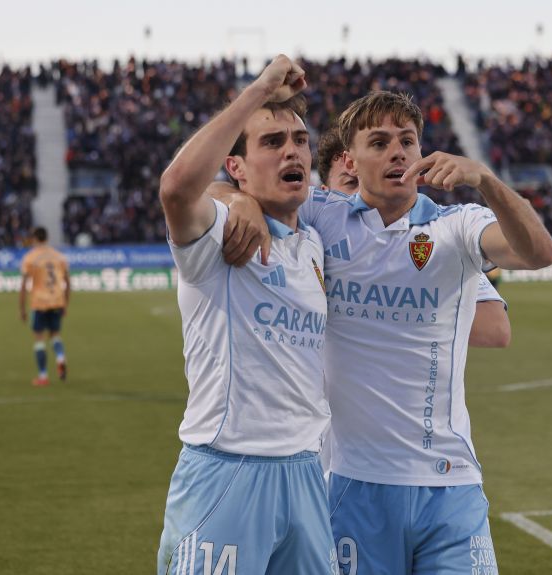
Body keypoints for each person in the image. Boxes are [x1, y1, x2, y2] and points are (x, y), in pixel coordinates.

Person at [217, 90, 552, 574]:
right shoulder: (322, 216)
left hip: (451, 485)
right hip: (356, 485)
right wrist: (237, 200)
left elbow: (539, 253)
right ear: (350, 161)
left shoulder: (455, 226)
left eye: (407, 140)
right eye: (379, 142)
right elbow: (203, 191)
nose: (398, 151)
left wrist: (486, 181)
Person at [156, 55, 337, 575]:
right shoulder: (218, 235)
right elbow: (176, 188)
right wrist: (257, 91)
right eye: (272, 142)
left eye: (300, 140)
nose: (292, 150)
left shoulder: (314, 245)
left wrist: (243, 199)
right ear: (235, 166)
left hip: (306, 472)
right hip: (227, 470)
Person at [315, 124, 510, 348]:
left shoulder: (438, 238)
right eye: (350, 183)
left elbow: (495, 329)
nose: (363, 191)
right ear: (324, 194)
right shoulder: (309, 241)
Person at [19, 226, 69, 387]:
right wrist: (65, 303)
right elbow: (68, 282)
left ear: (34, 238)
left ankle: (43, 376)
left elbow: (23, 284)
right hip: (57, 300)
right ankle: (60, 357)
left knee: (39, 338)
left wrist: (22, 309)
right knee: (55, 335)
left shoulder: (30, 258)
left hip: (39, 302)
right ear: (46, 238)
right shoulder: (59, 256)